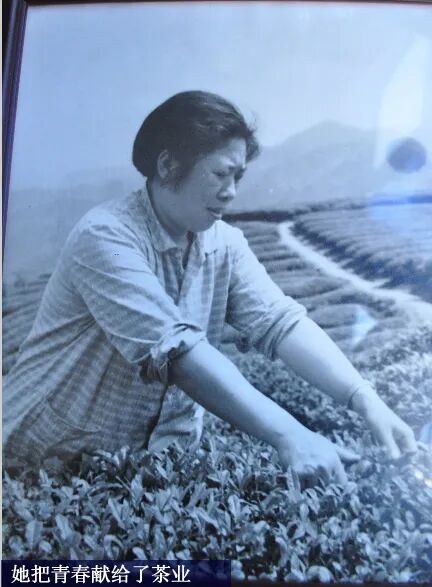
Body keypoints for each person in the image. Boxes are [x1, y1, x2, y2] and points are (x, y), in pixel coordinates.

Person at [3, 91, 417, 486]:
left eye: (238, 176)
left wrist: (365, 399)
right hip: (39, 461)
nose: (231, 192)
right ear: (168, 165)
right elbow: (176, 352)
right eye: (220, 173)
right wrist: (292, 436)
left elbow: (280, 322)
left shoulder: (224, 244)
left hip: (138, 473)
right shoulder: (105, 236)